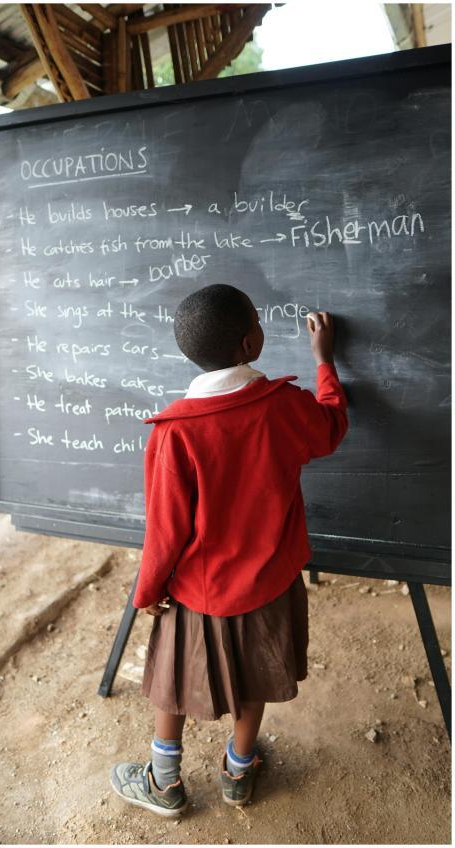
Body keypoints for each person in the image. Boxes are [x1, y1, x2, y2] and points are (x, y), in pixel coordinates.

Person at [110, 284, 348, 817]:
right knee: (256, 673)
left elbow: (165, 532)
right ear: (250, 342)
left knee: (171, 683)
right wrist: (325, 362)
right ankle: (238, 773)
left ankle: (164, 782)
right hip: (269, 582)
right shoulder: (285, 406)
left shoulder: (176, 432)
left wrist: (147, 592)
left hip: (199, 590)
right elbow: (331, 426)